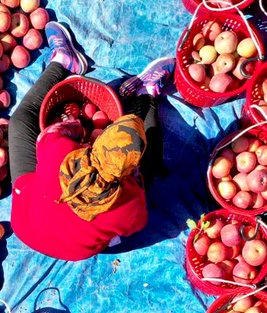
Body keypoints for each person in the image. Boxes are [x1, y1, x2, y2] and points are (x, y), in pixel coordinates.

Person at [10, 21, 172, 262]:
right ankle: (147, 93)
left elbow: (51, 134)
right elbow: (136, 224)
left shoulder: (59, 152)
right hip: (73, 247)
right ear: (128, 172)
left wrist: (74, 125)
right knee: (152, 156)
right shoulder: (130, 201)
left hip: (26, 224)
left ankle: (63, 62)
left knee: (20, 122)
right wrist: (137, 177)